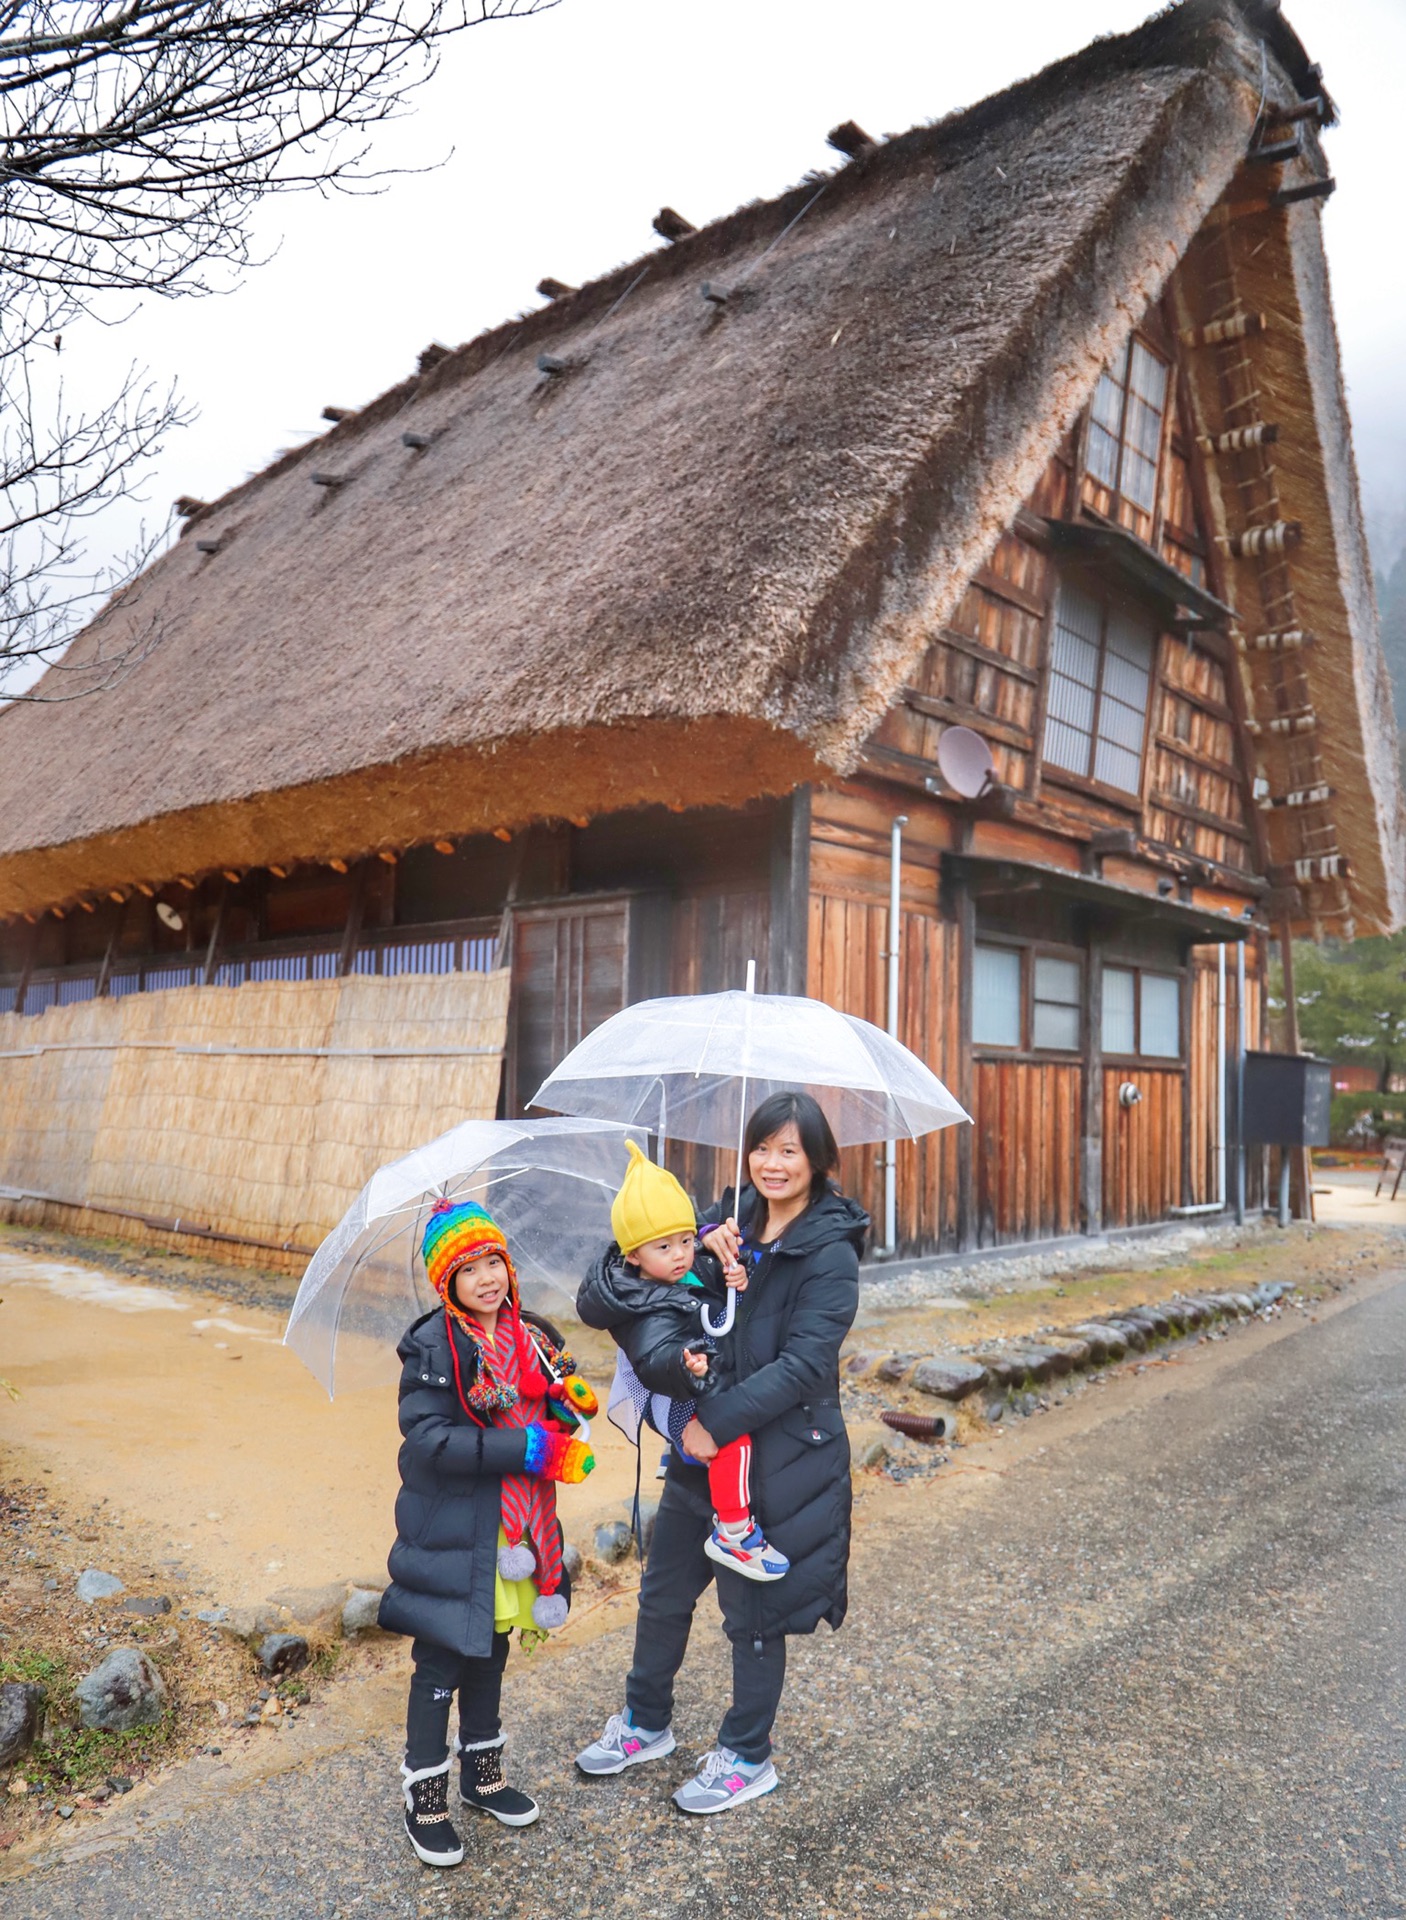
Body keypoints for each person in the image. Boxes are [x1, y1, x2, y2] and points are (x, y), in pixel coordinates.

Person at [575, 1093, 867, 1814]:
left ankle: (747, 1754)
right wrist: (702, 1246)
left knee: (753, 1615)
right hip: (704, 1445)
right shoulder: (727, 1221)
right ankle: (645, 1721)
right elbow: (637, 1290)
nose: (772, 1163)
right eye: (763, 1147)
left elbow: (804, 1367)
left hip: (782, 1450)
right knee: (666, 1588)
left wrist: (714, 1421)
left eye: (790, 1151)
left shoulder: (830, 1252)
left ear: (819, 1162)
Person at [378, 1199, 597, 1867]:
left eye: (493, 1260)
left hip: (520, 1527)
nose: (486, 1277)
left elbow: (559, 1406)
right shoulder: (432, 1348)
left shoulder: (534, 1334)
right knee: (443, 1658)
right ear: (445, 1282)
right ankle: (427, 1795)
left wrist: (568, 1415)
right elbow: (429, 1440)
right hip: (457, 1531)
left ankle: (482, 1774)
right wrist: (525, 1449)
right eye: (467, 1267)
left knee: (493, 1649)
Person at [578, 1138, 789, 1582]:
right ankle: (733, 1530)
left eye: (687, 1240)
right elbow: (652, 1356)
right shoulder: (639, 1300)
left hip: (693, 1379)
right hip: (672, 1394)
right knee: (734, 1438)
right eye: (664, 1247)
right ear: (633, 1255)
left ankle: (686, 1458)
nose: (680, 1255)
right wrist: (683, 1362)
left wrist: (734, 1274)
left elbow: (708, 1288)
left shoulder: (686, 1266)